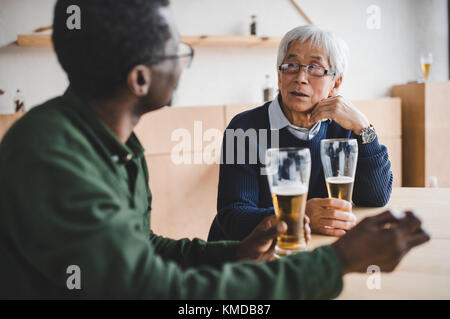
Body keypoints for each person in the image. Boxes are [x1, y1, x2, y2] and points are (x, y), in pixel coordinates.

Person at [0, 0, 428, 299]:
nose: (185, 61)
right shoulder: (52, 156)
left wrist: (232, 252)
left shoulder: (117, 146)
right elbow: (153, 290)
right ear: (140, 79)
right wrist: (336, 263)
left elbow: (143, 248)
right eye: (175, 51)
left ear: (335, 83)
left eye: (315, 69)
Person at [208, 25, 393, 241]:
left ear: (336, 83)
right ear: (279, 76)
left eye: (315, 68)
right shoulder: (243, 129)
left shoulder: (344, 128)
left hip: (310, 250)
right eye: (291, 65)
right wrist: (299, 215)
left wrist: (364, 128)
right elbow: (232, 218)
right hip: (248, 258)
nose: (301, 78)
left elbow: (376, 197)